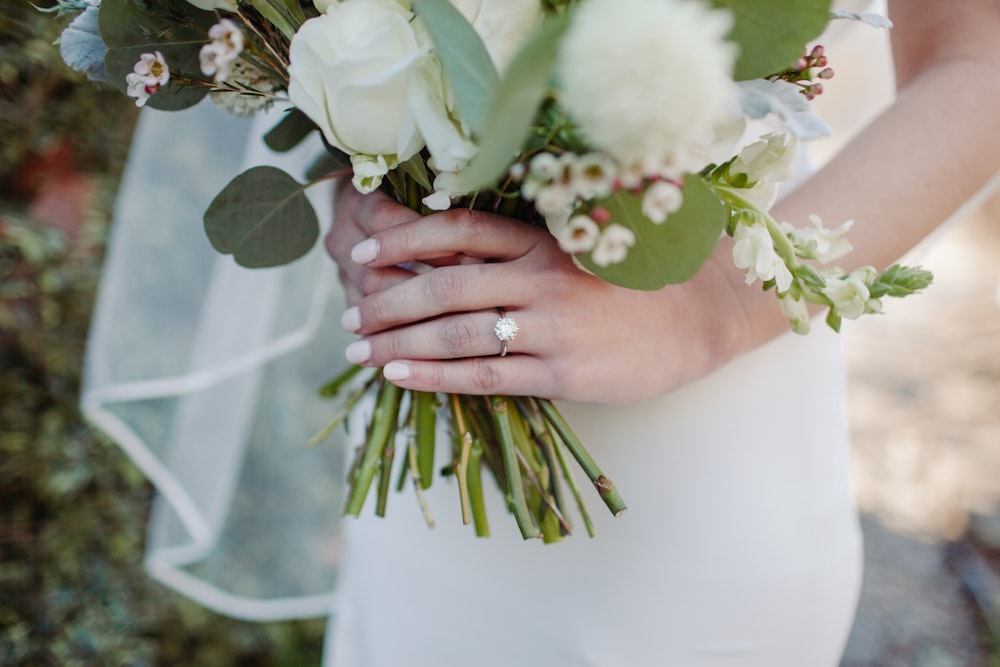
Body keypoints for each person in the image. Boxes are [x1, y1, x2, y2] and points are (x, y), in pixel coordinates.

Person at [318, 0, 1000, 665]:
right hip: (426, 474)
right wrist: (371, 182)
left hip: (694, 478)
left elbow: (979, 63)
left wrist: (716, 306)